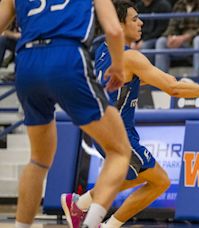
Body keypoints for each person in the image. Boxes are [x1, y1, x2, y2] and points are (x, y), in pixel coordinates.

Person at [65, 1, 199, 227]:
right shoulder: (130, 57)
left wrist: (175, 82)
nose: (141, 22)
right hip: (119, 135)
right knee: (159, 181)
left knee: (133, 176)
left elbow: (135, 80)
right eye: (135, 19)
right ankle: (103, 223)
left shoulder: (103, 49)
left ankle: (80, 205)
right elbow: (173, 89)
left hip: (104, 130)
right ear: (119, 24)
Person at [0, 0, 133, 227]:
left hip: (27, 63)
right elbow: (113, 30)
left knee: (39, 160)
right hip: (67, 56)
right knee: (120, 151)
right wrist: (119, 66)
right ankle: (90, 224)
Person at [154, 0, 199, 77]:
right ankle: (161, 81)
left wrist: (185, 37)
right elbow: (172, 25)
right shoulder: (179, 4)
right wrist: (170, 36)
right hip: (182, 41)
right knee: (161, 41)